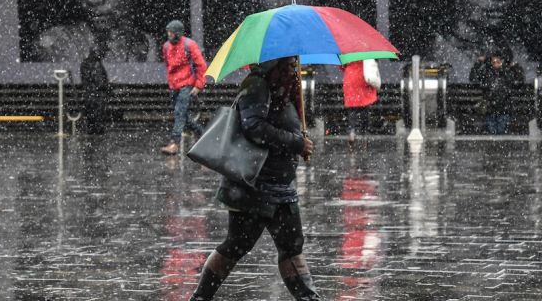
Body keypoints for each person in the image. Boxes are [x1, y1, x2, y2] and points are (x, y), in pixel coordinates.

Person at [189, 57, 320, 301]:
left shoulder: (285, 87)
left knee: (291, 248)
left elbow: (279, 123)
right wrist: (296, 142)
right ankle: (200, 297)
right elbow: (254, 127)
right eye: (289, 63)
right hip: (254, 185)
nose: (294, 67)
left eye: (294, 62)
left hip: (281, 185)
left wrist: (299, 138)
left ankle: (309, 298)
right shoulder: (257, 84)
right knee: (236, 246)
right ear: (275, 62)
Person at [161, 20, 207, 155]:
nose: (169, 34)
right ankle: (204, 134)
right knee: (183, 117)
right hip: (174, 85)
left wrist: (198, 85)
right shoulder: (166, 46)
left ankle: (174, 143)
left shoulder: (189, 45)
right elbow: (168, 64)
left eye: (171, 32)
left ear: (178, 33)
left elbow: (201, 65)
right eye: (168, 32)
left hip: (186, 84)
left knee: (179, 113)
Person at [469, 50, 524, 134]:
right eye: (493, 62)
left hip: (504, 109)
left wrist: (516, 68)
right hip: (491, 110)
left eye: (498, 61)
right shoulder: (487, 72)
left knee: (501, 133)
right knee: (492, 133)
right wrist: (478, 64)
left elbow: (519, 81)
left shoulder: (507, 72)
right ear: (491, 62)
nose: (495, 64)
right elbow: (473, 79)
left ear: (501, 61)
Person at [342, 59, 379, 142]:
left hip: (350, 78)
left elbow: (341, 66)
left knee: (352, 109)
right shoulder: (366, 51)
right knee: (364, 107)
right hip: (363, 77)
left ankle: (352, 131)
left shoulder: (347, 52)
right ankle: (364, 132)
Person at [79, 41, 111, 135]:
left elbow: (88, 80)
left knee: (92, 119)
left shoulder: (86, 63)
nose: (104, 54)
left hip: (90, 95)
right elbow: (99, 82)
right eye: (103, 52)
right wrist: (107, 85)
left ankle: (92, 135)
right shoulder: (95, 64)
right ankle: (95, 137)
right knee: (97, 119)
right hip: (96, 96)